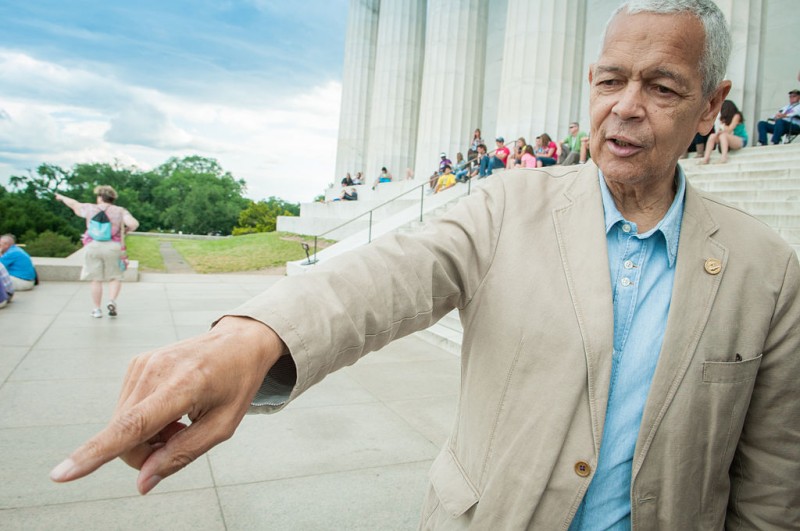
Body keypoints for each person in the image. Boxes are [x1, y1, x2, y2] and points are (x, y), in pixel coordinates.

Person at [51, 2, 800, 529]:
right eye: (609, 80)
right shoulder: (507, 204)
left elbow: (770, 485)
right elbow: (389, 274)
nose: (625, 107)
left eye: (661, 87)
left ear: (711, 106)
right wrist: (254, 335)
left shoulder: (766, 271)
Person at [55, 186, 139, 318]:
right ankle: (111, 301)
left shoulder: (89, 208)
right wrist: (126, 230)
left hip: (93, 246)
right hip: (113, 246)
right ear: (113, 198)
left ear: (100, 197)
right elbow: (134, 223)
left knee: (96, 280)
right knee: (115, 277)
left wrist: (61, 197)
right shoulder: (120, 211)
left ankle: (96, 309)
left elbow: (73, 204)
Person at [699, 100, 747, 164]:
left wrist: (723, 126)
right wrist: (719, 132)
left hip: (741, 139)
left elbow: (730, 129)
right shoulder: (724, 119)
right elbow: (721, 130)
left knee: (723, 135)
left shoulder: (737, 115)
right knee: (712, 136)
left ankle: (724, 157)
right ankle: (706, 158)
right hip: (728, 138)